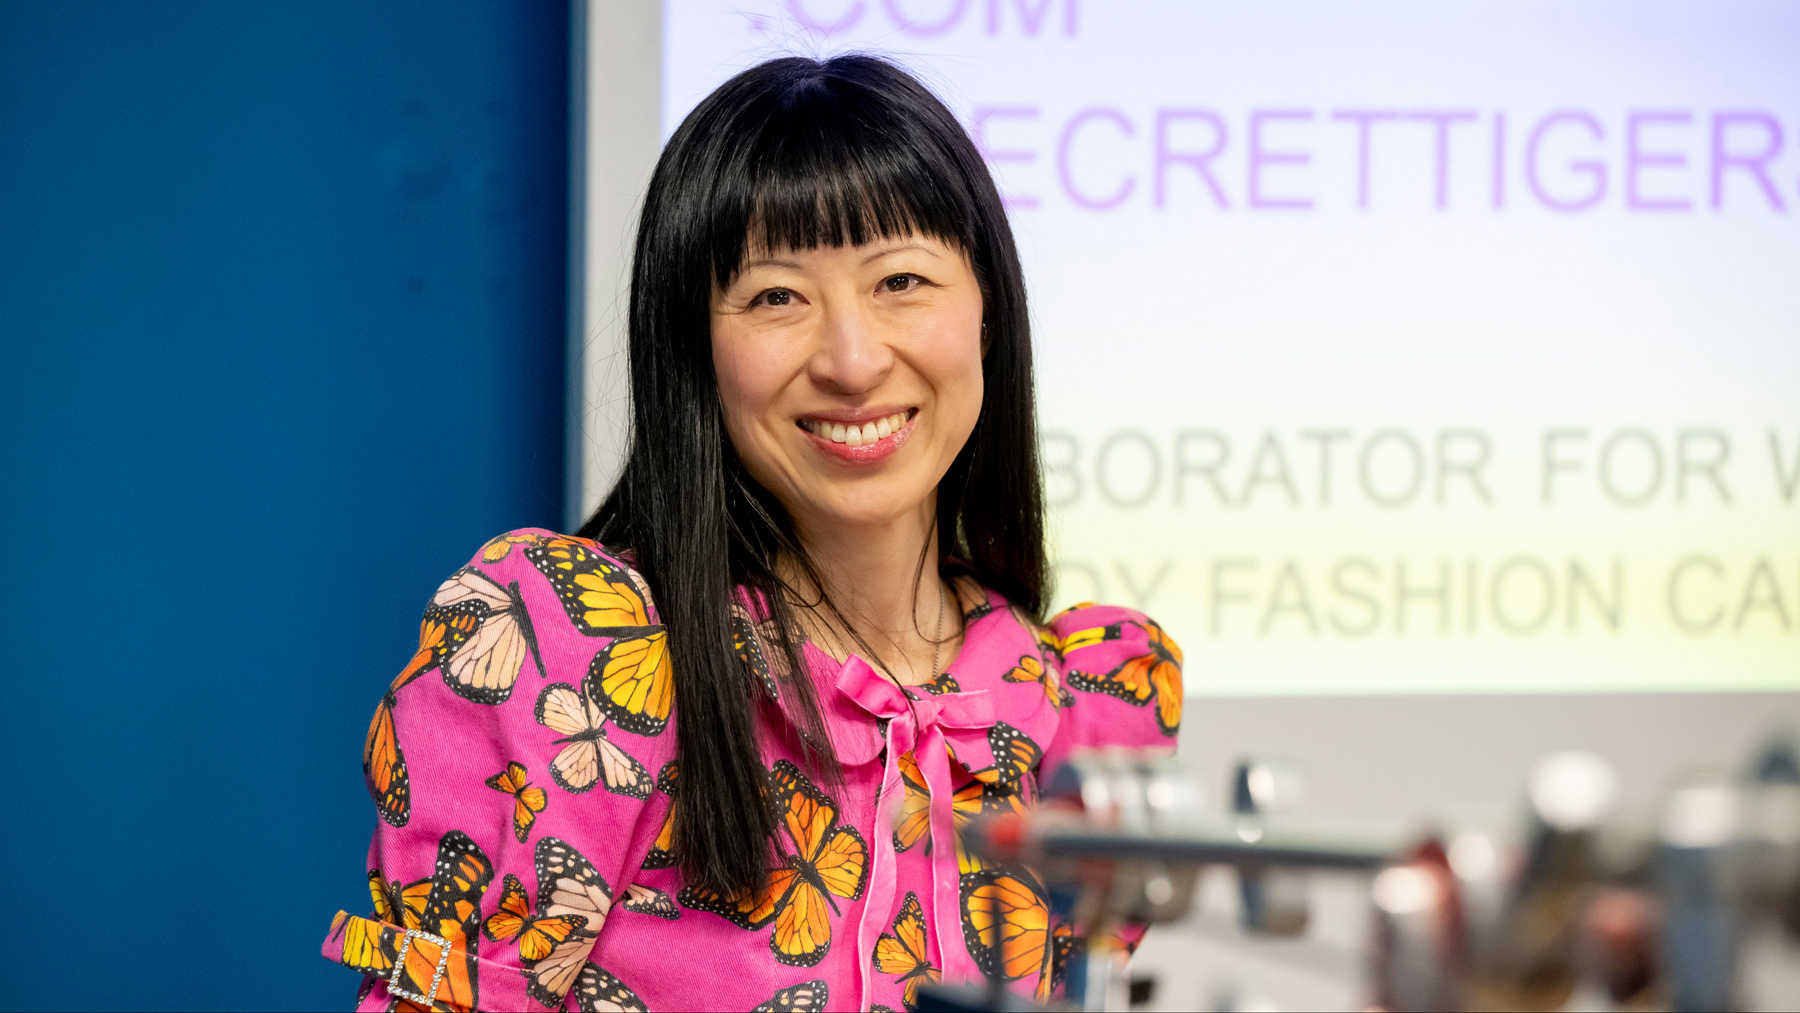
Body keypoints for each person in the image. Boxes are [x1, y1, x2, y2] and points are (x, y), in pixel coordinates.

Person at [322, 54, 1183, 1012]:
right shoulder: (573, 655)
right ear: (698, 347)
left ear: (987, 313)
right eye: (778, 296)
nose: (854, 361)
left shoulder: (1082, 704)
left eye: (902, 279)